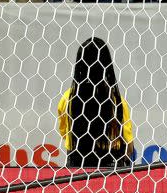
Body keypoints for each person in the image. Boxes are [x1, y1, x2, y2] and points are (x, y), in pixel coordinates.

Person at [57, 37, 135, 168]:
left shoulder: (66, 99)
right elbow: (129, 147)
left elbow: (66, 136)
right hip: (111, 170)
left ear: (80, 64)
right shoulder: (117, 101)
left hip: (76, 170)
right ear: (106, 65)